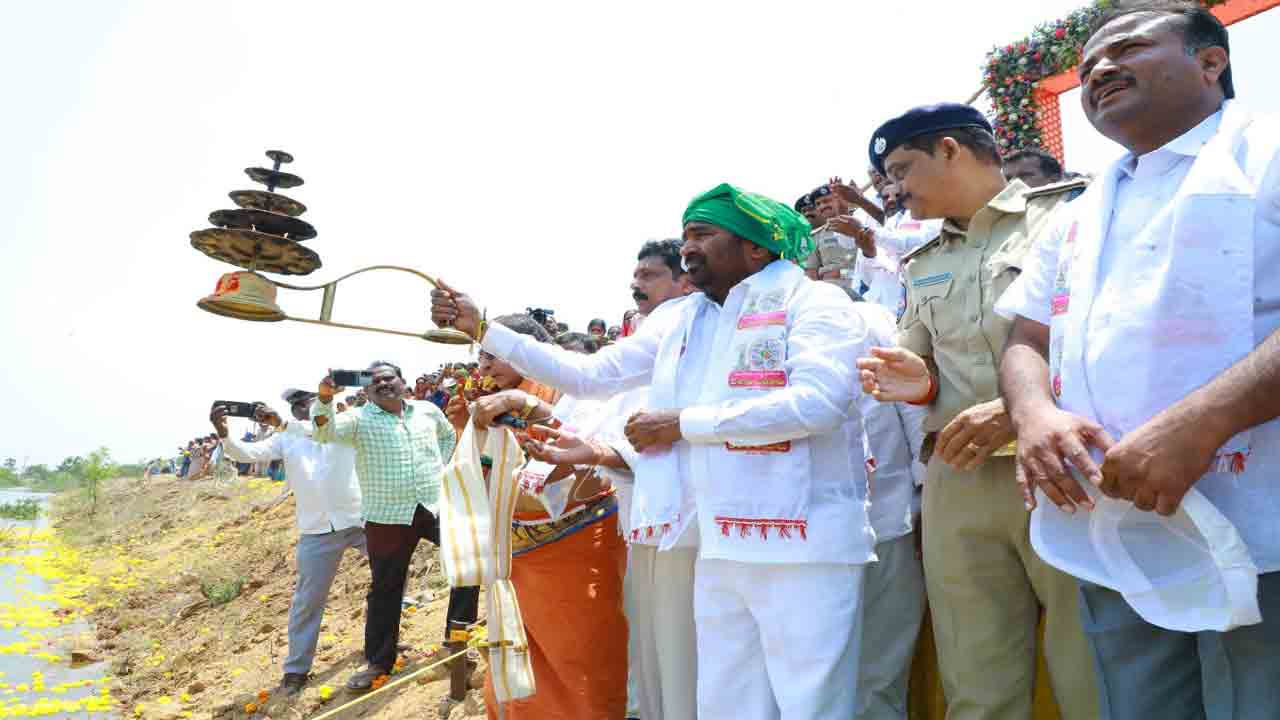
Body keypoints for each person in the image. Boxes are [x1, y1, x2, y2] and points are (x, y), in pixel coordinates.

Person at [433, 182, 876, 719]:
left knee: (812, 704)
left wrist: (683, 424)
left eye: (702, 234)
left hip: (806, 544)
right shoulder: (683, 319)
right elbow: (590, 375)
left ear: (756, 247)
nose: (687, 247)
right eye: (686, 234)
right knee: (728, 705)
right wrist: (483, 328)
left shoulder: (815, 303)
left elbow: (818, 403)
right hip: (718, 544)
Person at [996, 3, 1280, 717]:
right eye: (1088, 64)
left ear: (1210, 62)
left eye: (1126, 48)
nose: (1099, 69)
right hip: (1116, 525)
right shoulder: (1078, 210)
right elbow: (1027, 336)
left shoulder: (1267, 153)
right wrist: (1034, 415)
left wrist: (1200, 424)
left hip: (1261, 521)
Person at [856, 103, 1097, 720]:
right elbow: (922, 360)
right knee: (975, 672)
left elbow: (1107, 339)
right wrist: (914, 381)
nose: (893, 190)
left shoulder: (1071, 216)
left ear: (949, 150)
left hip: (1062, 467)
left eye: (901, 169)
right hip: (959, 474)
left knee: (1090, 667)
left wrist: (1019, 410)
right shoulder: (922, 260)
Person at [448, 313, 629, 720]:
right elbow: (484, 475)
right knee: (520, 654)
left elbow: (571, 464)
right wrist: (467, 430)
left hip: (575, 550)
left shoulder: (572, 394)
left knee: (580, 658)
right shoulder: (493, 399)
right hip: (518, 559)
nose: (485, 367)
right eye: (481, 358)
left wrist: (525, 410)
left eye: (494, 354)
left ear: (528, 351)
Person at [309, 361, 477, 692]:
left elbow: (447, 435)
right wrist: (325, 398)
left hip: (433, 505)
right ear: (366, 389)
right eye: (375, 380)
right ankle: (378, 662)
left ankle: (457, 638)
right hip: (387, 517)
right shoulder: (357, 419)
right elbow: (322, 432)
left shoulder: (427, 410)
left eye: (389, 378)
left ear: (402, 381)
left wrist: (441, 468)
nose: (384, 383)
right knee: (386, 588)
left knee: (467, 560)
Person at [214, 389, 365, 696]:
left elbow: (320, 428)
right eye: (295, 406)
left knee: (391, 575)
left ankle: (383, 643)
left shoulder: (345, 425)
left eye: (305, 402)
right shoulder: (285, 438)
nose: (299, 408)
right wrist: (224, 434)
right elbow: (247, 454)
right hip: (317, 528)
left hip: (358, 519)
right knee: (307, 601)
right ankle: (296, 670)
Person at [847, 293, 928, 720]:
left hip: (888, 523)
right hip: (803, 540)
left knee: (879, 674)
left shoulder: (867, 321)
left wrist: (925, 504)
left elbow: (916, 420)